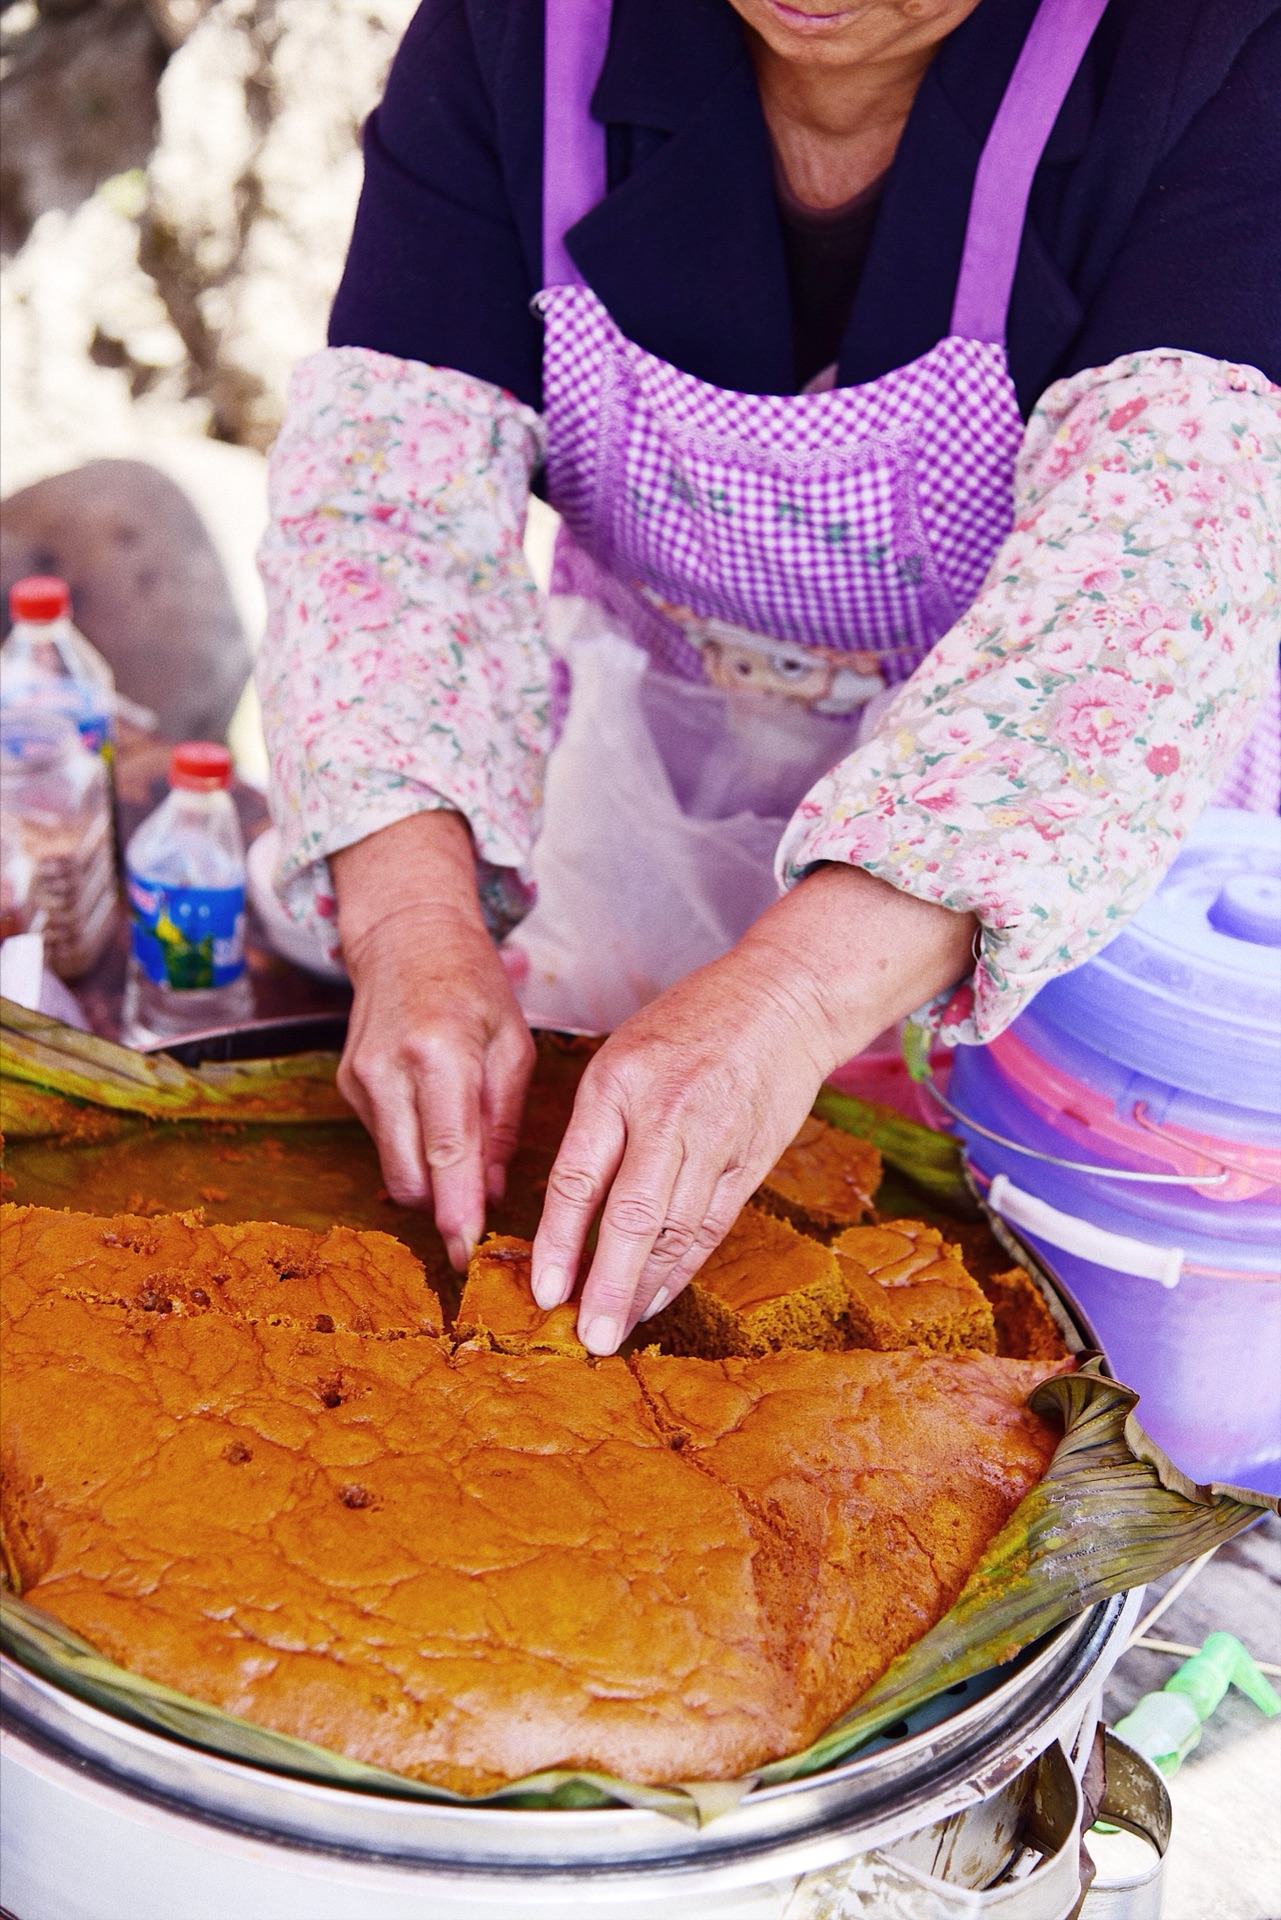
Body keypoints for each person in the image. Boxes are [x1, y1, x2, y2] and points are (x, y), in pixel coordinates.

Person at [258, 0, 1281, 1356]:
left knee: (1009, 1327)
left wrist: (792, 999)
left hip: (1069, 841)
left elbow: (1146, 583)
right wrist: (409, 930)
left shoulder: (1210, 53)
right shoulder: (524, 33)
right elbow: (389, 514)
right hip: (656, 783)